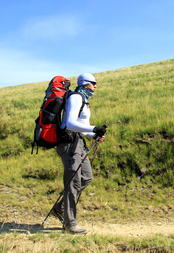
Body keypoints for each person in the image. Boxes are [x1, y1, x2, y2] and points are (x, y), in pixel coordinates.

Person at [52, 73, 107, 234]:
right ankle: (70, 224)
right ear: (85, 84)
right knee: (73, 183)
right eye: (93, 83)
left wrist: (93, 134)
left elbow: (81, 127)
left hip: (78, 143)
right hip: (69, 145)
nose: (95, 86)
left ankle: (60, 208)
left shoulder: (83, 99)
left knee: (87, 177)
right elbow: (70, 123)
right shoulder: (76, 97)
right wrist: (93, 128)